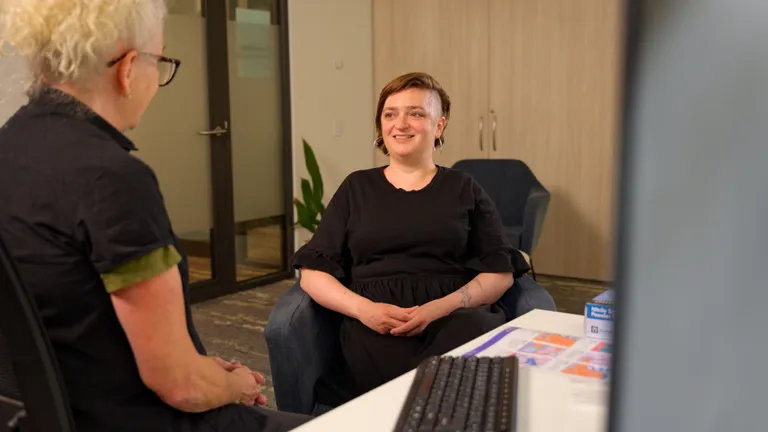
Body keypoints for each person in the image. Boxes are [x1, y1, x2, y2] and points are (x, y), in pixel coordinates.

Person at [0, 1, 310, 431]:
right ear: (128, 69)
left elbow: (74, 315)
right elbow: (182, 388)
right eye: (160, 62)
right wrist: (235, 384)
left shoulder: (10, 145)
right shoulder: (111, 179)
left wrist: (195, 363)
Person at [292, 72, 531, 406]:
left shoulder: (464, 188)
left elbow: (499, 271)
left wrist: (440, 308)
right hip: (375, 322)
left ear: (439, 125)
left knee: (467, 354)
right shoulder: (356, 188)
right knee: (385, 380)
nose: (400, 124)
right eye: (390, 114)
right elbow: (313, 271)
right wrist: (365, 311)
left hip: (452, 317)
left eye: (416, 113)